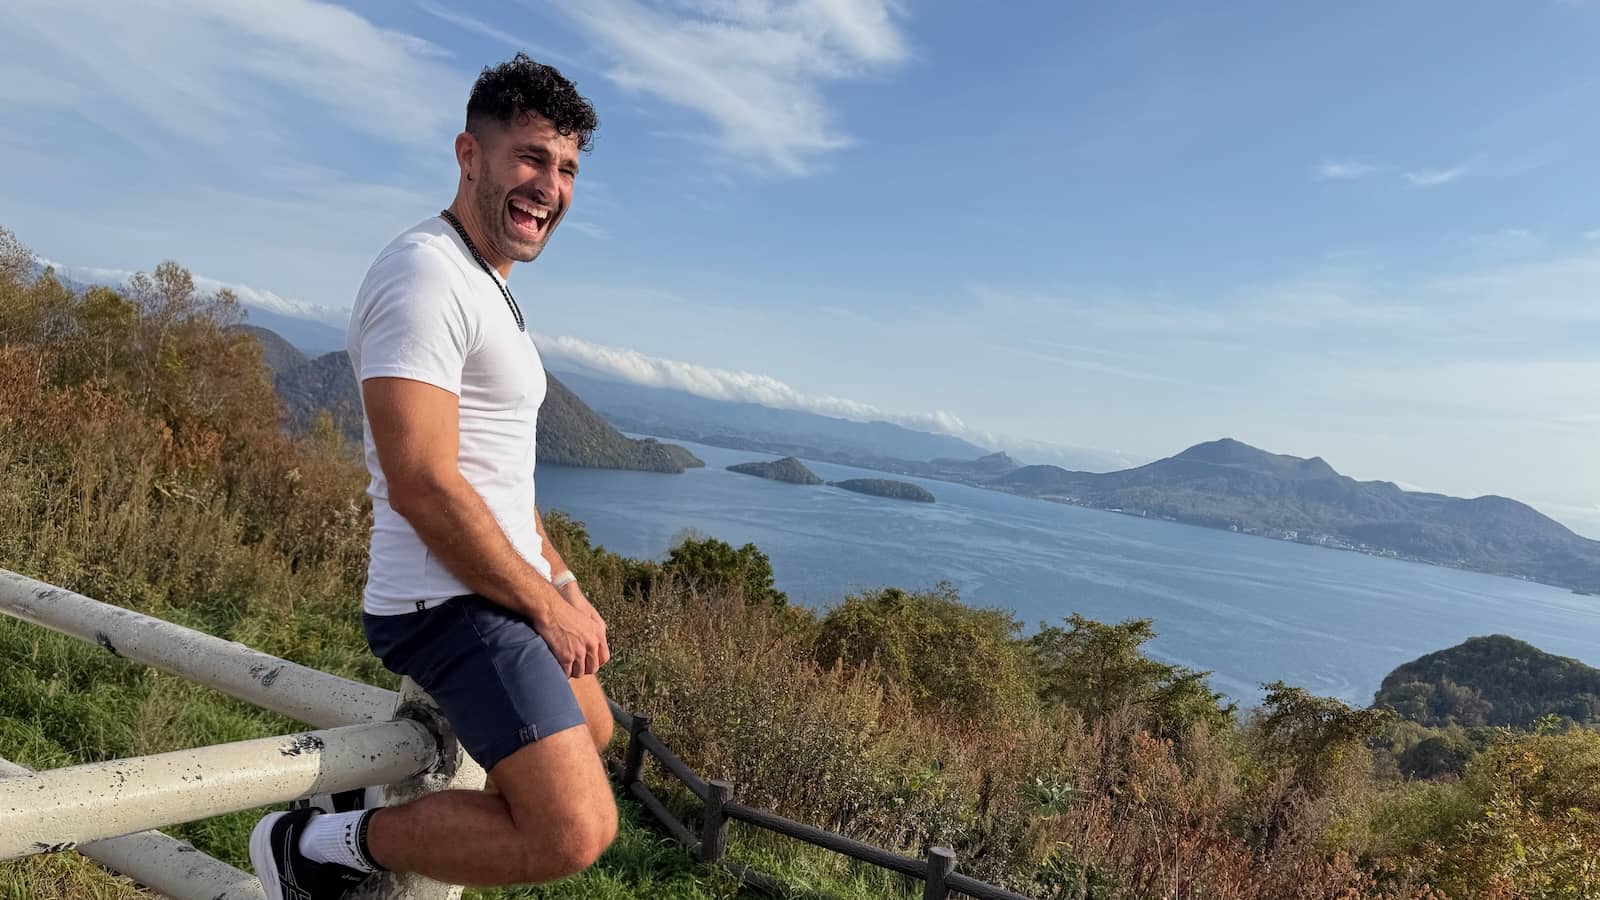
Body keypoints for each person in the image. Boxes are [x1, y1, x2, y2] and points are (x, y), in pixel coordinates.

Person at [248, 54, 617, 898]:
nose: (548, 186)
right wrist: (537, 603)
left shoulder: (490, 285)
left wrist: (563, 581)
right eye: (529, 158)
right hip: (442, 604)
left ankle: (359, 802)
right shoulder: (425, 273)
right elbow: (421, 481)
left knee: (593, 725)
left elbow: (498, 482)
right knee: (575, 829)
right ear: (469, 155)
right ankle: (316, 847)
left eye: (564, 169)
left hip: (490, 587)